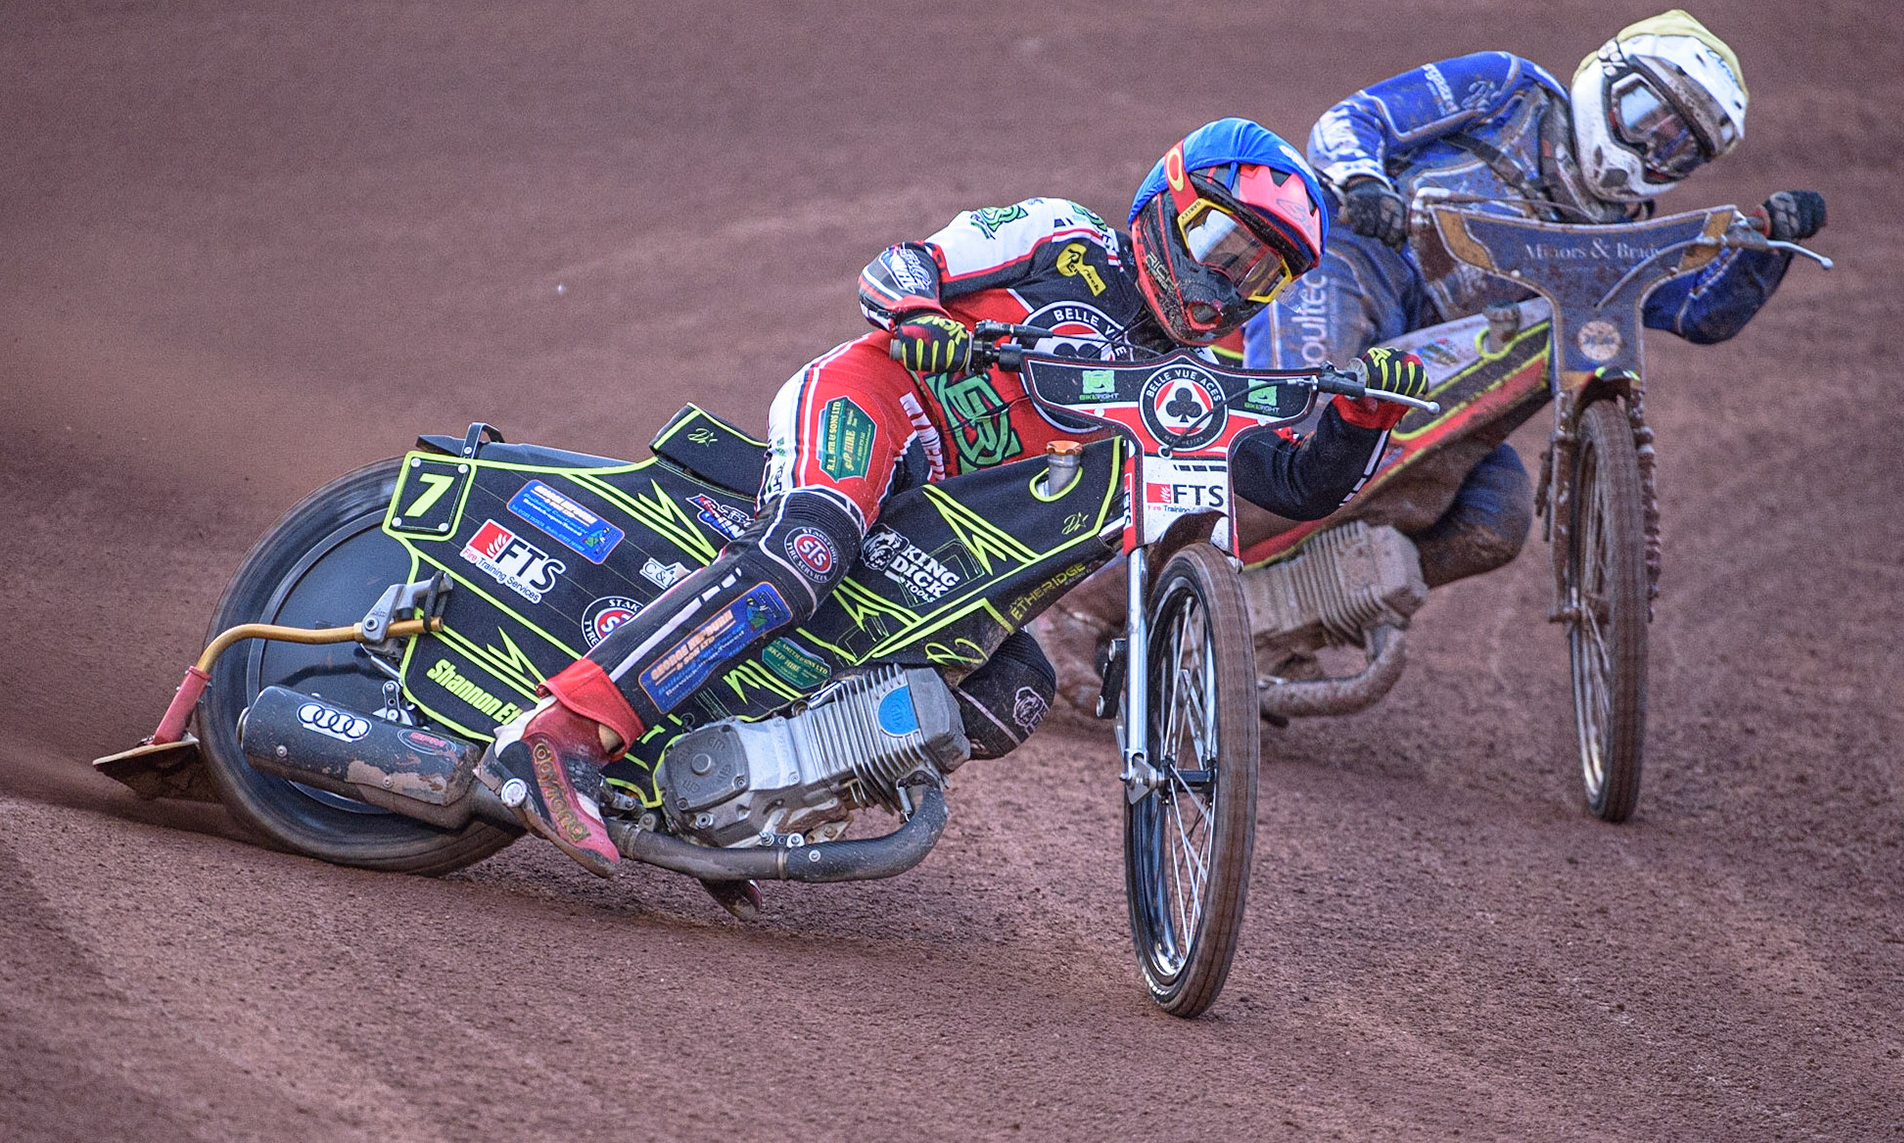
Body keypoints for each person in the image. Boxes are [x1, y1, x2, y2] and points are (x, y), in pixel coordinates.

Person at [477, 118, 1430, 877]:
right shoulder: (1062, 237)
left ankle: (744, 795)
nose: (1227, 282)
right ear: (1164, 202)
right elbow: (898, 269)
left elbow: (1300, 484)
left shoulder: (1190, 384)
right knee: (805, 551)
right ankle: (557, 736)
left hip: (944, 527)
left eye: (1260, 273)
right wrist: (921, 317)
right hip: (874, 402)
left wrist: (1360, 414)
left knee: (1013, 689)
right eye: (1219, 242)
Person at [1244, 10, 1828, 587]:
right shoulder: (1506, 89)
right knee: (1296, 419)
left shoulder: (1620, 239)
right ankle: (1204, 523)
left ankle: (1325, 605)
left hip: (1451, 365)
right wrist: (1365, 182)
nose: (1651, 148)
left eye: (1677, 149)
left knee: (1496, 520)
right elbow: (1355, 118)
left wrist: (1767, 245)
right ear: (1608, 77)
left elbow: (1697, 310)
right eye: (1647, 116)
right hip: (1363, 263)